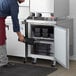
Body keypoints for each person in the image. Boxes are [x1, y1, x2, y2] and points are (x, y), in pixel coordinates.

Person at [0, 0, 25, 67]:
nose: (24, 1)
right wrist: (20, 35)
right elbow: (15, 20)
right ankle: (3, 62)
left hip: (1, 19)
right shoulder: (14, 4)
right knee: (1, 40)